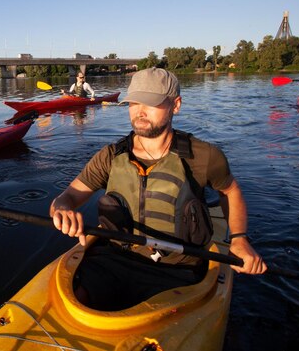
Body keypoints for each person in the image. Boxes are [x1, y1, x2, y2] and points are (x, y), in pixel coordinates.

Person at [49, 67, 267, 311]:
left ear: (176, 105)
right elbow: (66, 197)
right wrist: (62, 210)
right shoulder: (109, 156)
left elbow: (230, 191)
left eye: (150, 103)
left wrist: (239, 239)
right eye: (133, 103)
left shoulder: (205, 157)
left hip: (178, 269)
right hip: (113, 260)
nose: (139, 111)